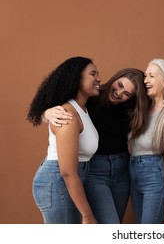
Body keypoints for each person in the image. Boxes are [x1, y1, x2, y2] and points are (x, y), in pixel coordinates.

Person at [42, 68, 149, 223]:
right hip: (95, 170)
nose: (119, 93)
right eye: (119, 85)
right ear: (115, 78)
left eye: (127, 93)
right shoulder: (91, 97)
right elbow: (57, 106)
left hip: (122, 169)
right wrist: (47, 113)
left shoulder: (132, 108)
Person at [27, 56, 101, 224]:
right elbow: (67, 171)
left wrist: (44, 113)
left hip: (71, 180)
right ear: (77, 79)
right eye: (93, 74)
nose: (98, 78)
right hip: (57, 182)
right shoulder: (68, 115)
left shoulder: (83, 108)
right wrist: (87, 215)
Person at [128, 58, 164, 224]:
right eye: (145, 76)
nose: (145, 81)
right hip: (132, 171)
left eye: (151, 76)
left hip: (154, 175)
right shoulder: (141, 108)